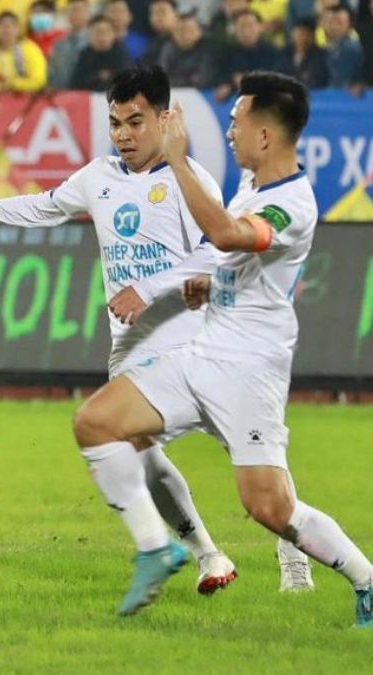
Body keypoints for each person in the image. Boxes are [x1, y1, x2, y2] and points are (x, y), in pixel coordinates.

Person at [0, 65, 244, 599]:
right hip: (132, 349)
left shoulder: (189, 180)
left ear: (165, 120)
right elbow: (37, 207)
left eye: (136, 122)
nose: (123, 135)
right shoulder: (99, 177)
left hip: (193, 342)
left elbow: (217, 251)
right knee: (140, 450)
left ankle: (287, 558)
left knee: (253, 457)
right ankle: (207, 553)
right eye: (115, 123)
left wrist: (151, 287)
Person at [68, 71, 373, 622]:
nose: (228, 131)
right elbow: (238, 256)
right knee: (98, 421)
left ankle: (366, 579)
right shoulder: (254, 186)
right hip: (202, 349)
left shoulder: (293, 201)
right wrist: (212, 282)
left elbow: (236, 236)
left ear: (265, 136)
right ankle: (159, 549)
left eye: (236, 122)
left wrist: (179, 162)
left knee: (269, 507)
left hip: (248, 367)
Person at [214, 8, 283, 100]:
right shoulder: (228, 54)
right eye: (242, 26)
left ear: (260, 27)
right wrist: (227, 84)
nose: (246, 31)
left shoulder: (273, 53)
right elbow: (220, 75)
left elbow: (277, 80)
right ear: (235, 30)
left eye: (250, 26)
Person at [0, 11, 47, 96]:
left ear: (18, 29)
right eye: (2, 26)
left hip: (26, 96)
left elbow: (40, 79)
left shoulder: (30, 49)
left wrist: (14, 85)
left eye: (10, 26)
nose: (6, 30)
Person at [70, 15, 134, 92]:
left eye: (106, 31)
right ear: (90, 35)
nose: (102, 36)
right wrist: (98, 76)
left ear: (113, 34)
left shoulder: (122, 53)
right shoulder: (85, 54)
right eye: (98, 32)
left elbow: (125, 82)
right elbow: (75, 83)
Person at [287, 17, 330, 88]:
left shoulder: (322, 56)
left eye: (306, 33)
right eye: (299, 33)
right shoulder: (284, 54)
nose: (302, 38)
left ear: (313, 36)